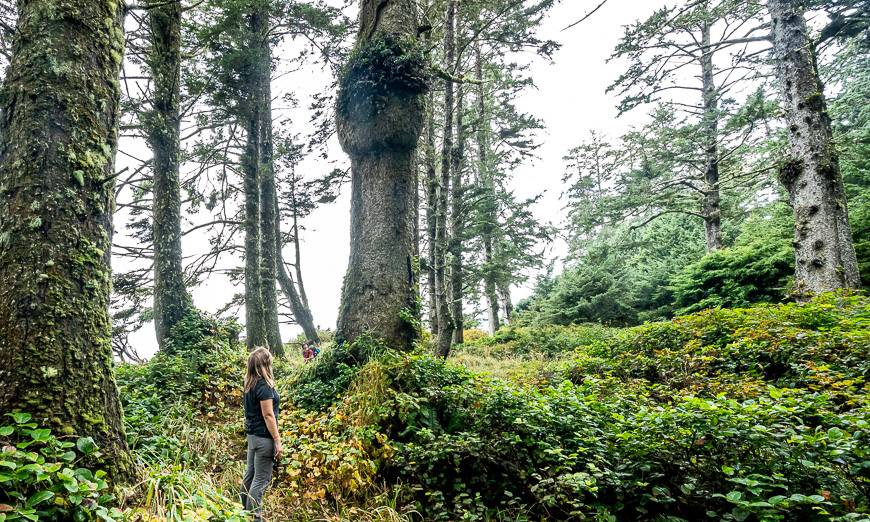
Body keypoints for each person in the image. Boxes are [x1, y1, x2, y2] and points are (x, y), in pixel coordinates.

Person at [241, 347, 281, 520]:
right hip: (264, 438)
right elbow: (268, 415)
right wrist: (277, 440)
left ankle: (242, 513)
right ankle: (254, 518)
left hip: (252, 437)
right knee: (260, 481)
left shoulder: (249, 384)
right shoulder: (263, 385)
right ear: (264, 364)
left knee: (249, 476)